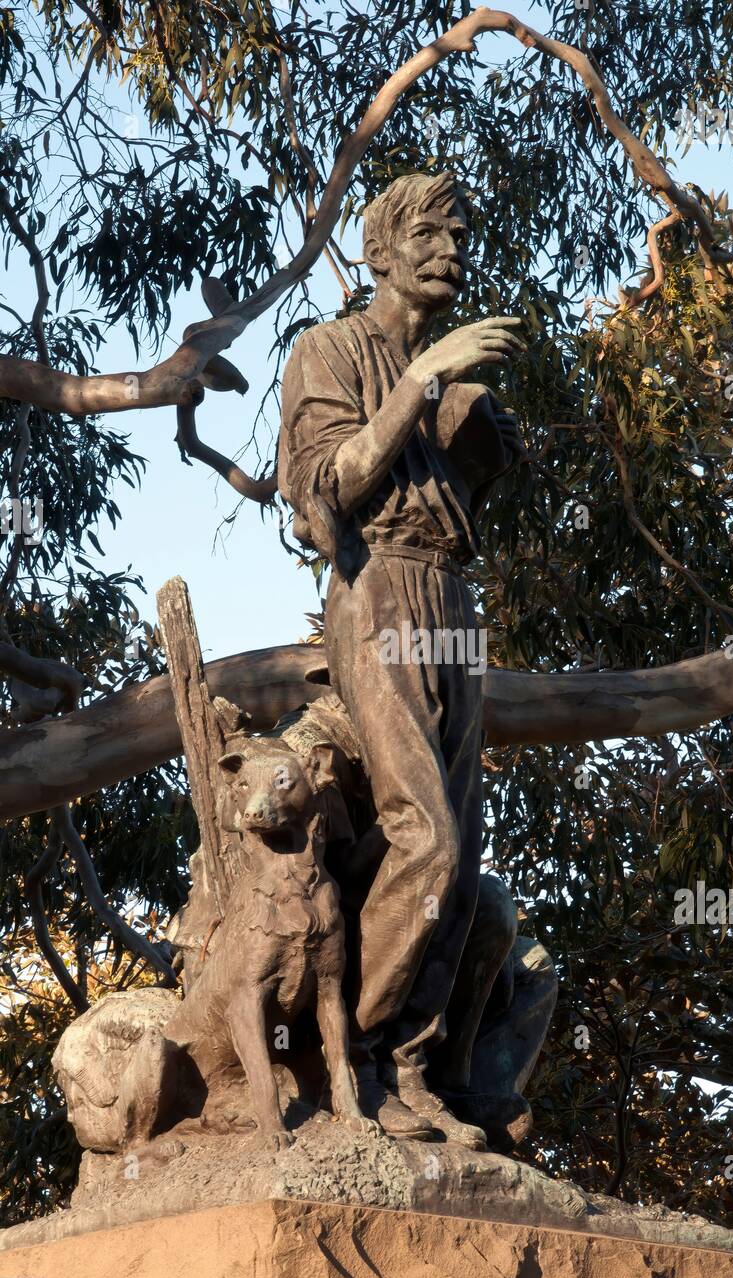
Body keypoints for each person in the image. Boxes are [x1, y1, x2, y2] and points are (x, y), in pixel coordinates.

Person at [279, 171, 526, 1143]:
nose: (451, 251)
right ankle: (360, 1058)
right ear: (380, 249)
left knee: (460, 864)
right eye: (430, 233)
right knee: (424, 832)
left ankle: (414, 1071)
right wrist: (419, 389)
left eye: (461, 235)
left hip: (449, 597)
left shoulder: (450, 379)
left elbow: (453, 494)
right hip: (373, 584)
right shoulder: (327, 349)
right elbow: (325, 489)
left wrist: (477, 440)